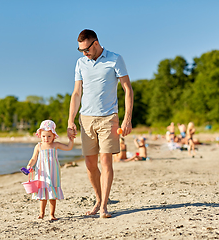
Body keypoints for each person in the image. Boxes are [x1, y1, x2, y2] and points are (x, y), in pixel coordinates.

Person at [67, 29, 133, 218]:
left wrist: (127, 119)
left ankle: (104, 206)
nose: (84, 53)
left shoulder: (115, 59)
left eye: (86, 49)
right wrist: (70, 120)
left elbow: (127, 89)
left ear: (95, 44)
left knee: (105, 161)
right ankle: (98, 198)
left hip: (108, 118)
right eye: (80, 51)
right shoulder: (80, 63)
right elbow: (77, 93)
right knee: (89, 164)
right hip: (86, 119)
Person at [26, 120, 74, 220]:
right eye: (43, 136)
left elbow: (69, 147)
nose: (46, 139)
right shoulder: (38, 146)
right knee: (42, 195)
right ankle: (41, 213)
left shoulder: (55, 145)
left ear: (53, 136)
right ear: (40, 135)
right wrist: (29, 165)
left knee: (52, 194)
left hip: (53, 173)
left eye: (49, 136)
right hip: (42, 173)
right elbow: (34, 158)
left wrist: (71, 139)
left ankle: (52, 214)